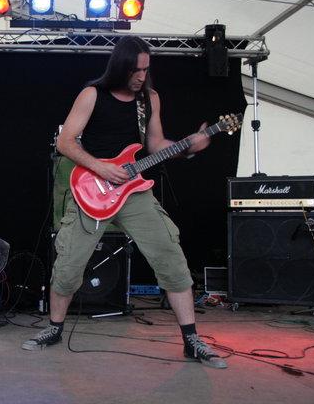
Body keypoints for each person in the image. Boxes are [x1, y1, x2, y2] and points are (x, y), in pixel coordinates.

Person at [22, 36, 227, 370]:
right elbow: (65, 142)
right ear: (120, 66)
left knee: (169, 253)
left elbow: (156, 144)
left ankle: (191, 339)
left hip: (134, 191)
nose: (141, 76)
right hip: (92, 189)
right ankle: (54, 328)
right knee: (69, 262)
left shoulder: (150, 98)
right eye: (135, 70)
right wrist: (101, 167)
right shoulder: (92, 94)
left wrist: (190, 145)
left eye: (146, 69)